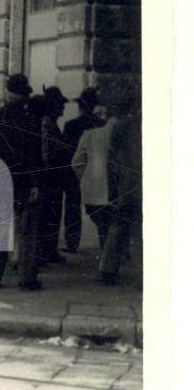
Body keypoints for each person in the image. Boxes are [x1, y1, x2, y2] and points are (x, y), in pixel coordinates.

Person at [0, 74, 42, 290]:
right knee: (26, 231)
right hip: (23, 182)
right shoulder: (30, 121)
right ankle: (27, 277)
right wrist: (35, 183)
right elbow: (34, 155)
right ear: (24, 95)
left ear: (7, 93)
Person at [98, 86, 141, 286]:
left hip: (126, 184)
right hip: (137, 184)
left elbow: (112, 159)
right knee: (138, 230)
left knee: (118, 226)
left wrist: (114, 187)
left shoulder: (123, 126)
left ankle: (107, 269)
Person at [61, 86, 105, 254]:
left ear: (80, 106)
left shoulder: (70, 125)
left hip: (74, 174)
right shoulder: (102, 125)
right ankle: (105, 241)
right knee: (98, 209)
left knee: (72, 208)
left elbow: (66, 153)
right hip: (96, 174)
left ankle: (72, 242)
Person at [71, 107, 115, 255]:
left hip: (94, 192)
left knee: (103, 226)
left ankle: (107, 261)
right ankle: (111, 260)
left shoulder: (89, 135)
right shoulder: (127, 134)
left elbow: (77, 162)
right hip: (119, 190)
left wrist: (85, 178)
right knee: (115, 226)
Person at [38, 86, 70, 265]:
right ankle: (45, 251)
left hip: (55, 178)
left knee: (53, 214)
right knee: (48, 215)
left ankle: (49, 250)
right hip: (50, 178)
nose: (63, 107)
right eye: (60, 104)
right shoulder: (47, 123)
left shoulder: (52, 123)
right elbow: (46, 152)